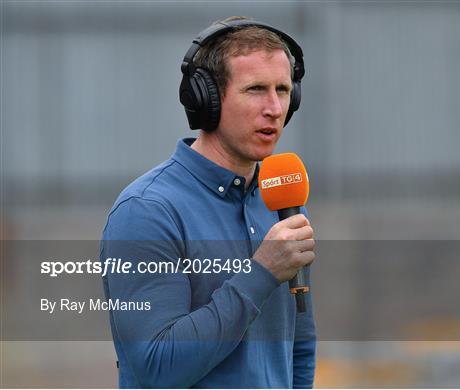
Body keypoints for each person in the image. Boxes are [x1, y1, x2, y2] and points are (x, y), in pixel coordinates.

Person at [100, 16, 316, 388]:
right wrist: (261, 273)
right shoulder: (146, 211)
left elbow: (299, 345)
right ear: (207, 99)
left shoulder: (282, 202)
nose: (275, 108)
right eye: (255, 89)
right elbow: (157, 366)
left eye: (282, 90)